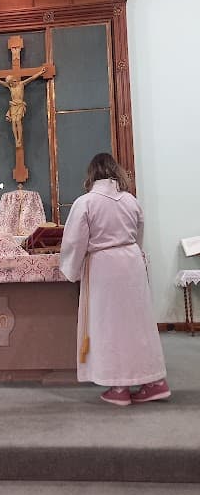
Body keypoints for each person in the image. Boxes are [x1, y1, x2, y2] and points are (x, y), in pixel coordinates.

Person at [59, 153, 170, 406]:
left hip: (104, 267)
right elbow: (138, 236)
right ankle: (155, 382)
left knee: (110, 326)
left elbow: (75, 242)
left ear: (91, 175)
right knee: (139, 324)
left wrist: (71, 270)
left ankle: (119, 386)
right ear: (115, 172)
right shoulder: (131, 201)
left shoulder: (86, 202)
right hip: (131, 262)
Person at [0, 68, 45, 148]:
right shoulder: (10, 87)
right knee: (13, 122)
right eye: (8, 83)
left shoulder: (21, 84)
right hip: (13, 106)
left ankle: (19, 139)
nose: (9, 84)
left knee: (18, 120)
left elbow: (32, 78)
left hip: (20, 105)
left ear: (13, 80)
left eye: (10, 82)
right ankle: (16, 139)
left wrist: (40, 72)